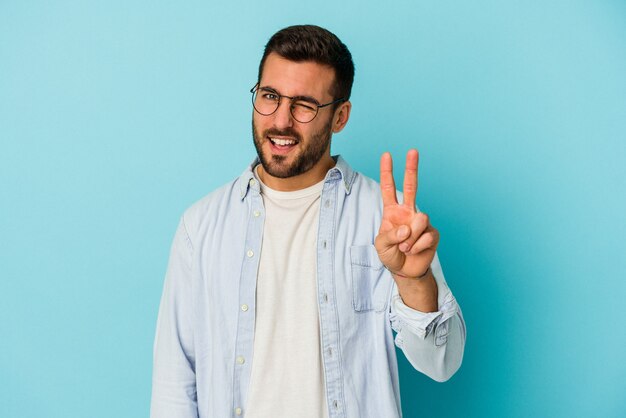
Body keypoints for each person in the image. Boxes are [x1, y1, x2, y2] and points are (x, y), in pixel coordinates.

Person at [151, 24, 466, 418]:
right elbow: (173, 385)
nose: (280, 120)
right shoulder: (200, 226)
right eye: (269, 97)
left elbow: (442, 363)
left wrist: (414, 281)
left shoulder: (387, 220)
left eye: (304, 105)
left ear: (340, 117)